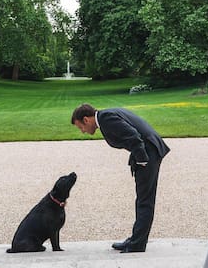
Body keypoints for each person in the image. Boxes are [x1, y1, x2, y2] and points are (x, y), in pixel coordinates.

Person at [71, 103, 170, 253]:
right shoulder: (107, 114)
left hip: (149, 153)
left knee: (145, 201)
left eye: (81, 127)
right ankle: (136, 238)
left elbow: (134, 136)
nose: (83, 131)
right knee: (142, 199)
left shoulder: (106, 119)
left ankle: (137, 244)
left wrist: (142, 160)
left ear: (86, 119)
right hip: (148, 151)